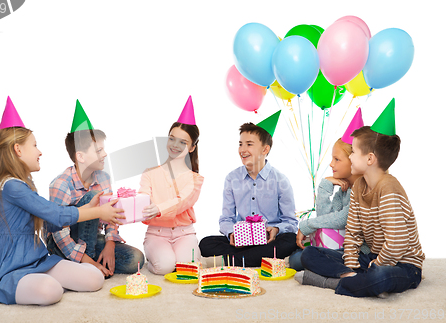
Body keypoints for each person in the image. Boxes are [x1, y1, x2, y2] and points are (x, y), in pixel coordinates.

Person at [0, 97, 124, 305]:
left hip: (35, 259)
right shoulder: (11, 186)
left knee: (95, 278)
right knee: (51, 291)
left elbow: (51, 221)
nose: (40, 151)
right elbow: (55, 213)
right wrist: (96, 212)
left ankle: (43, 278)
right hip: (8, 267)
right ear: (18, 150)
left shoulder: (23, 184)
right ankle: (30, 284)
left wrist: (89, 210)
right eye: (34, 145)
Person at [296, 99, 425, 298]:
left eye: (354, 152)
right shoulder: (358, 188)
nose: (351, 157)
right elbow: (353, 234)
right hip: (371, 258)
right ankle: (353, 278)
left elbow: (397, 242)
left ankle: (331, 282)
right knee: (310, 254)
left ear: (370, 159)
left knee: (381, 275)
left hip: (402, 264)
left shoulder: (388, 188)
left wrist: (379, 264)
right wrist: (351, 264)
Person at [46, 100, 144, 277]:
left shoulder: (103, 178)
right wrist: (87, 261)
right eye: (99, 151)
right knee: (93, 197)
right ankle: (83, 262)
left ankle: (86, 263)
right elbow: (58, 232)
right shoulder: (61, 184)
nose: (105, 154)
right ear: (81, 157)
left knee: (136, 259)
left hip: (92, 238)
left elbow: (112, 215)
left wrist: (110, 244)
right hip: (63, 242)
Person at [199, 111, 298, 267]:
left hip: (268, 239)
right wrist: (231, 233)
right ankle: (255, 258)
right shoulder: (232, 178)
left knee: (290, 241)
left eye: (249, 144)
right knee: (205, 243)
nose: (242, 149)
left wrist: (275, 229)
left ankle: (229, 261)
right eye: (240, 144)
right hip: (241, 241)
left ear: (265, 149)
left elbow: (291, 222)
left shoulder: (281, 180)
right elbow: (226, 219)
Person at [287, 109, 367, 271]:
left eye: (337, 159)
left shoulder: (362, 189)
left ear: (353, 161)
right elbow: (326, 220)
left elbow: (342, 219)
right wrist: (325, 185)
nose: (331, 164)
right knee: (296, 254)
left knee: (298, 259)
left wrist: (306, 225)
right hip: (341, 247)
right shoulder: (344, 190)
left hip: (360, 253)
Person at [140, 96, 204, 275]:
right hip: (156, 234)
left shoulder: (195, 179)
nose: (175, 145)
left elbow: (181, 201)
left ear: (191, 147)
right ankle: (156, 258)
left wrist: (158, 208)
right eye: (172, 139)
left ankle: (180, 257)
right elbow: (143, 198)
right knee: (165, 267)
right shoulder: (149, 173)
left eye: (183, 142)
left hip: (184, 234)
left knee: (188, 269)